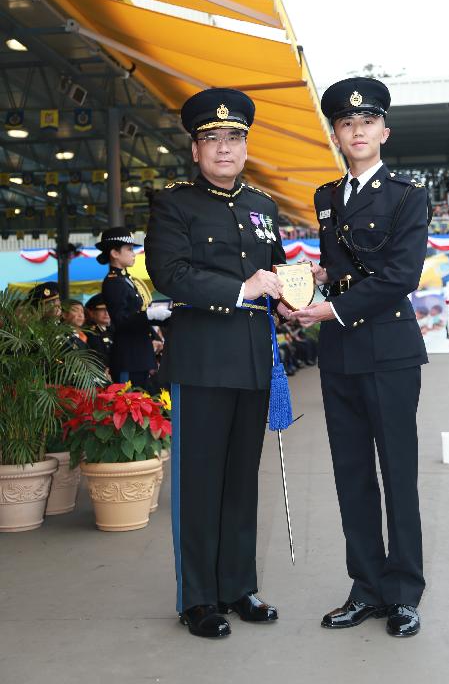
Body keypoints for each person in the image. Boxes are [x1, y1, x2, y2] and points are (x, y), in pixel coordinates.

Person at [145, 87, 289, 640]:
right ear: (195, 148)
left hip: (253, 360)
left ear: (246, 146)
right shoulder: (174, 203)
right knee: (199, 485)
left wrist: (295, 284)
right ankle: (199, 599)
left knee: (239, 484)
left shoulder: (263, 207)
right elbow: (170, 274)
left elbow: (270, 271)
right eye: (212, 138)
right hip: (202, 361)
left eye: (234, 138)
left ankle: (238, 587)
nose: (224, 148)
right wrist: (242, 287)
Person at [291, 77, 431, 638]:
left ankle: (403, 594)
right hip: (341, 355)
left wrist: (328, 310)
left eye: (366, 122)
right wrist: (314, 280)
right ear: (337, 135)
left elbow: (400, 276)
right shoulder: (326, 197)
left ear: (383, 131)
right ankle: (366, 587)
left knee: (398, 475)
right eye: (347, 124)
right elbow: (345, 267)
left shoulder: (407, 194)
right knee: (351, 475)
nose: (357, 131)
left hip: (390, 351)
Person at [96, 227, 171, 388]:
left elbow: (136, 316)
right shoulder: (113, 282)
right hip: (129, 357)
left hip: (140, 355)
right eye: (129, 249)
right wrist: (149, 315)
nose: (133, 253)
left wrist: (156, 332)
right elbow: (121, 320)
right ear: (115, 253)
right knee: (131, 407)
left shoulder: (125, 279)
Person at [84, 293, 114, 371]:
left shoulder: (111, 330)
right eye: (102, 310)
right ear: (91, 313)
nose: (106, 313)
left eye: (108, 309)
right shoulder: (90, 333)